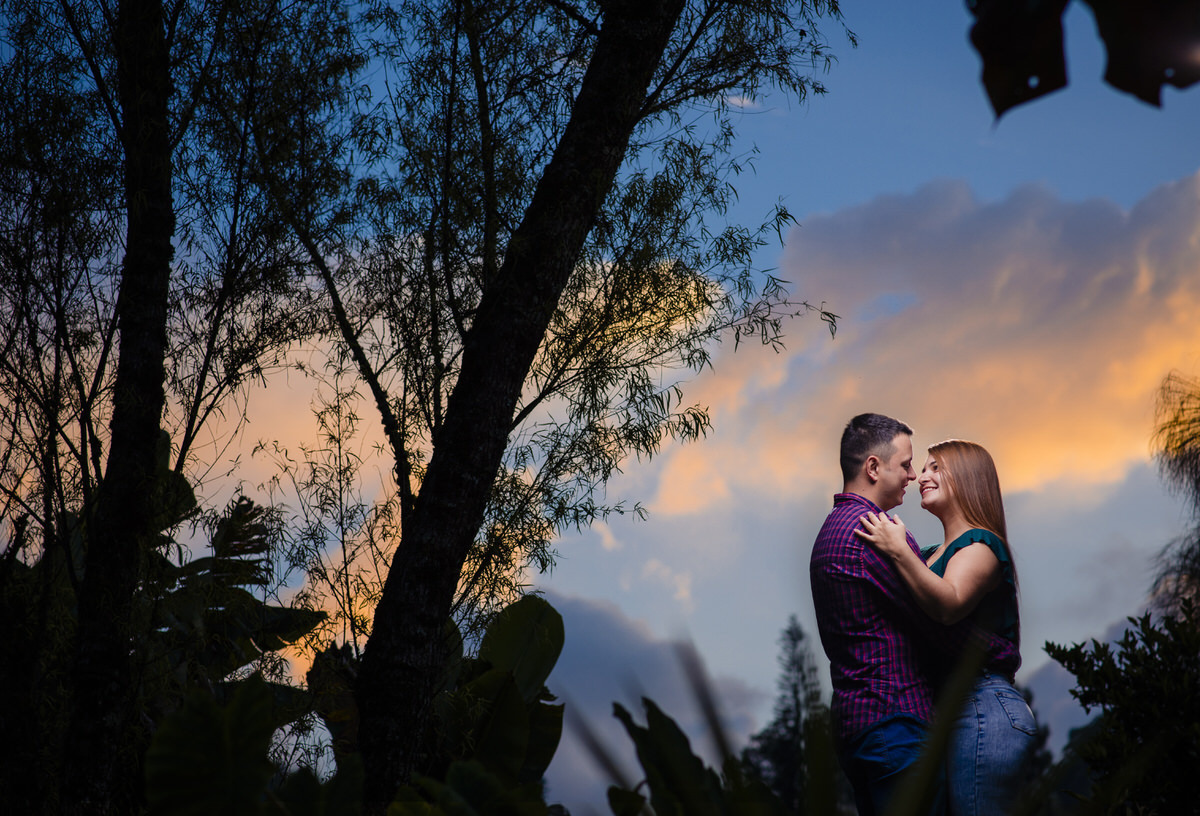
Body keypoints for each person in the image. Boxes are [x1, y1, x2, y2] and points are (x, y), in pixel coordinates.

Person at [810, 414, 1018, 816]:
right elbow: (934, 625)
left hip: (862, 721)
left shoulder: (834, 529)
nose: (913, 476)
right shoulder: (877, 532)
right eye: (909, 465)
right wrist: (998, 652)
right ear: (873, 467)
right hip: (895, 719)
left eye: (926, 467)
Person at [857, 439, 1037, 816]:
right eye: (923, 468)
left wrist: (897, 550)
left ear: (969, 478)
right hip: (945, 710)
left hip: (982, 705)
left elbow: (948, 604)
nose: (922, 476)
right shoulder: (926, 556)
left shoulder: (982, 545)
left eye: (935, 467)